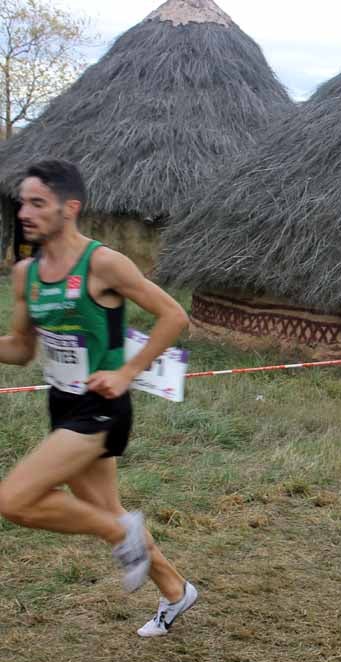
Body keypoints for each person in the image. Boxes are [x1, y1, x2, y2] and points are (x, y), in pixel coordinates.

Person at [0, 159, 197, 637]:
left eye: (38, 203)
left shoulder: (103, 262)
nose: (25, 212)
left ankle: (118, 535)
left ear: (70, 208)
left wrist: (127, 371)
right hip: (63, 403)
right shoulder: (26, 273)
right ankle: (176, 590)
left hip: (103, 408)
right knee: (110, 510)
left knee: (13, 500)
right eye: (23, 202)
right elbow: (22, 349)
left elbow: (174, 317)